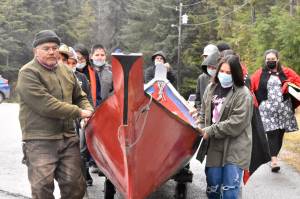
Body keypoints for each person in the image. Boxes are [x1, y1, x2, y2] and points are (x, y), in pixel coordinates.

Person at [16, 30, 93, 199]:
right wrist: (79, 112)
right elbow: (47, 105)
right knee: (42, 189)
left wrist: (88, 113)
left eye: (54, 48)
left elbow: (80, 97)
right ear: (35, 50)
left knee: (75, 187)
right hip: (39, 140)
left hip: (67, 138)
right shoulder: (27, 73)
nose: (51, 51)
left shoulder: (66, 71)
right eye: (46, 48)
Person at [195, 55, 253, 199]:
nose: (224, 75)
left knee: (229, 190)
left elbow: (236, 123)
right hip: (214, 145)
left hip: (235, 146)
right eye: (222, 71)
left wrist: (210, 130)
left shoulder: (243, 94)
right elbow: (203, 112)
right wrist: (201, 127)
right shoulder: (210, 88)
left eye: (229, 73)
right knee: (213, 187)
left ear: (236, 74)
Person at [251, 49, 300, 172]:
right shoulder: (259, 73)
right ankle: (273, 161)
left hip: (284, 109)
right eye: (268, 60)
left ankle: (273, 156)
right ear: (265, 60)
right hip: (267, 110)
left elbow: (298, 83)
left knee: (280, 135)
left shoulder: (287, 72)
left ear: (277, 59)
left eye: (273, 59)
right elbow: (250, 87)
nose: (271, 61)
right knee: (272, 133)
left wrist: (289, 83)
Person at [195, 44, 220, 109]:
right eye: (205, 57)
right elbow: (198, 99)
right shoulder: (201, 78)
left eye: (209, 56)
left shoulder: (223, 75)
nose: (207, 59)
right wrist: (199, 111)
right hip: (205, 116)